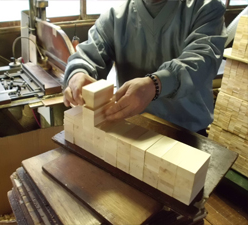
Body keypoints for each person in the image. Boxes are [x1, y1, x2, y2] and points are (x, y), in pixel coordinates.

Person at [63, 0, 227, 133]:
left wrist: (155, 84)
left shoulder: (206, 7)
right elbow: (88, 54)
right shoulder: (115, 15)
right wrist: (77, 73)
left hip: (186, 132)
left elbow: (202, 60)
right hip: (130, 127)